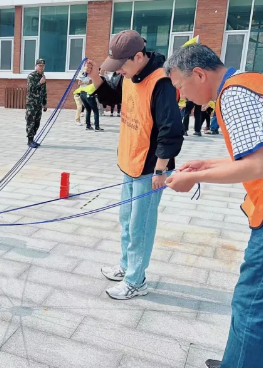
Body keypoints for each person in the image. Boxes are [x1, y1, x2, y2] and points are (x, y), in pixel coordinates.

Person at [164, 43, 263, 368]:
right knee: (258, 304)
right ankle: (241, 365)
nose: (181, 97)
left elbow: (256, 166)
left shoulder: (234, 95)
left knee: (254, 306)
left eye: (180, 87)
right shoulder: (248, 83)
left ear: (199, 74)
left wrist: (194, 179)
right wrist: (206, 163)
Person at [86, 30, 184, 300]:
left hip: (151, 168)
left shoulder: (161, 83)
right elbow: (112, 98)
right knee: (127, 220)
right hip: (130, 162)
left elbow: (171, 129)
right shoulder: (129, 75)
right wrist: (96, 76)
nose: (120, 72)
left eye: (122, 67)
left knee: (140, 224)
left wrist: (161, 170)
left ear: (139, 57)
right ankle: (127, 266)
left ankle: (136, 280)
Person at [26, 58, 47, 148]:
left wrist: (45, 103)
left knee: (37, 122)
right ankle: (30, 140)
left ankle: (33, 139)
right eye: (39, 66)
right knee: (31, 121)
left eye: (43, 66)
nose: (41, 67)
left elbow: (44, 91)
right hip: (32, 103)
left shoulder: (42, 76)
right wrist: (40, 83)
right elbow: (31, 90)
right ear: (36, 66)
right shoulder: (31, 76)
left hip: (39, 104)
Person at [79, 64, 102, 131]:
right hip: (88, 93)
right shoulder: (91, 76)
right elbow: (93, 84)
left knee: (88, 110)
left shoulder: (82, 75)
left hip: (82, 93)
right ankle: (97, 127)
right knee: (95, 110)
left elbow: (80, 83)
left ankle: (88, 126)